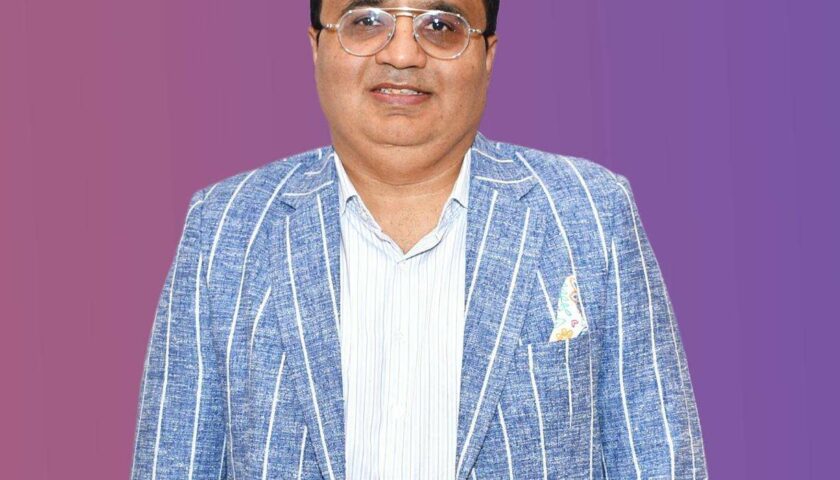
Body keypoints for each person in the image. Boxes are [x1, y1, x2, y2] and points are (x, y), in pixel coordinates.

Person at [130, 1, 708, 478]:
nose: (403, 53)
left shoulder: (589, 210)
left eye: (441, 25)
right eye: (365, 20)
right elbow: (172, 460)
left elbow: (661, 459)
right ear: (316, 47)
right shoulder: (226, 226)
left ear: (487, 55)